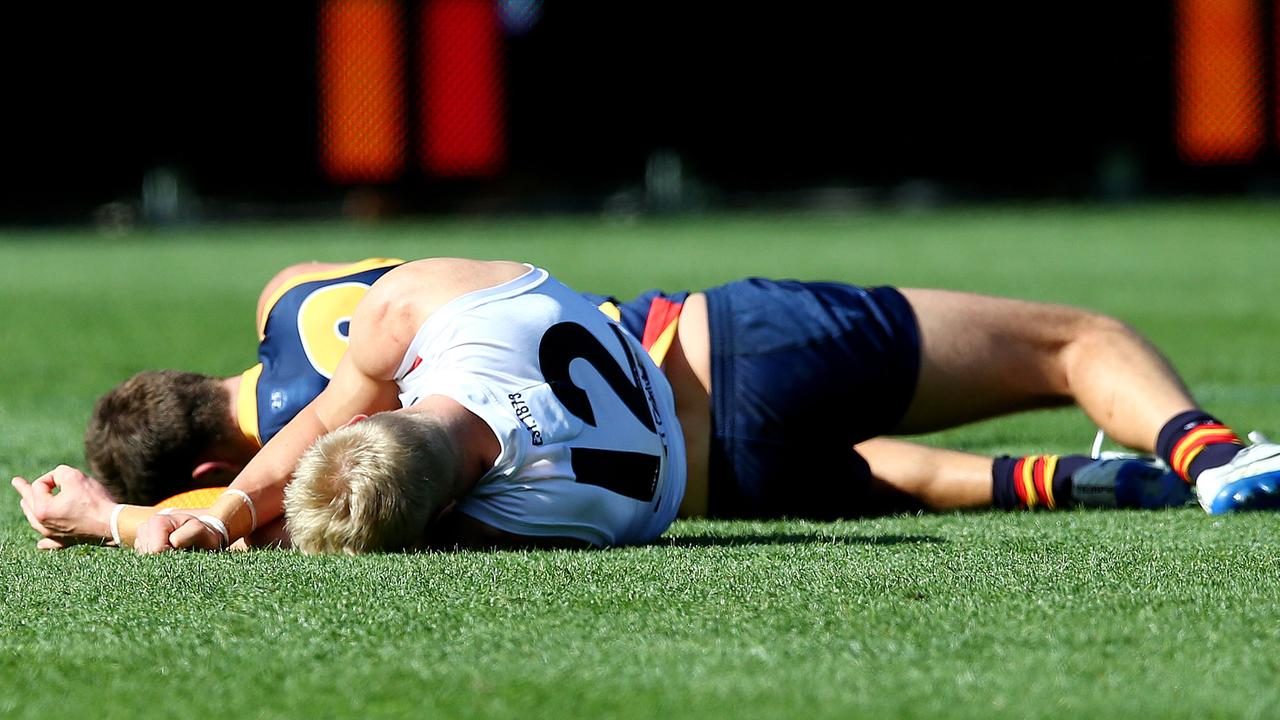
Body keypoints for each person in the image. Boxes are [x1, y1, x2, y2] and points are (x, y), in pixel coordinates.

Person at [14, 260, 1279, 552]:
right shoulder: (324, 308)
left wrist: (154, 521)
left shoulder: (509, 523)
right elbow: (344, 356)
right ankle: (1204, 449)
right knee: (1074, 341)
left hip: (710, 478)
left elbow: (286, 502)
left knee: (911, 475)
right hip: (721, 347)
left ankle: (1067, 478)